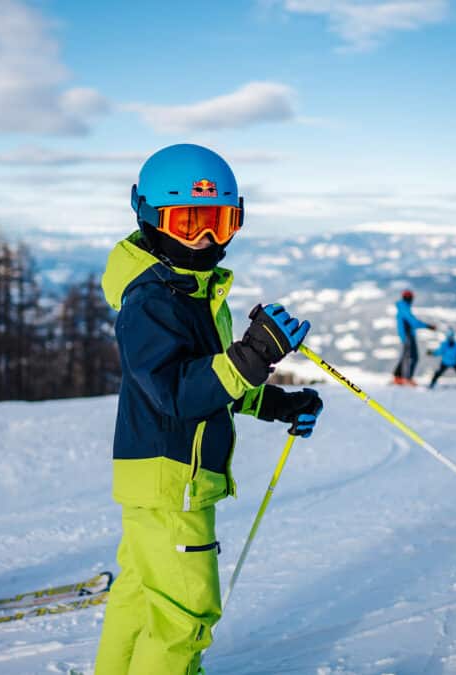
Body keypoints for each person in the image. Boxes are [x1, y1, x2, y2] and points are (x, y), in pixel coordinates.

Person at [95, 144, 323, 674]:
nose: (203, 238)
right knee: (185, 616)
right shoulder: (152, 301)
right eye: (188, 221)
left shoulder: (191, 291)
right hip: (174, 479)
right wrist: (256, 353)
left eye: (218, 223)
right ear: (150, 218)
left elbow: (217, 380)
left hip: (158, 478)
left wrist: (278, 403)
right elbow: (175, 392)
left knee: (143, 595)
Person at [391, 289, 435, 386]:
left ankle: (398, 377)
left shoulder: (403, 307)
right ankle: (406, 378)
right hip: (408, 336)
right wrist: (428, 326)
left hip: (407, 335)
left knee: (406, 356)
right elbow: (413, 322)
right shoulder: (405, 309)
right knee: (411, 357)